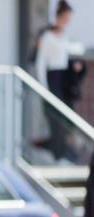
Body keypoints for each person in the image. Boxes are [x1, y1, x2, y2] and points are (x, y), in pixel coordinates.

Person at [35, 0, 84, 162]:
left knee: (66, 119)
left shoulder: (65, 37)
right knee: (55, 118)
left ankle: (62, 152)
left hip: (64, 79)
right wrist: (43, 87)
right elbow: (41, 62)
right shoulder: (47, 36)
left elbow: (66, 57)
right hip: (53, 79)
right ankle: (56, 153)